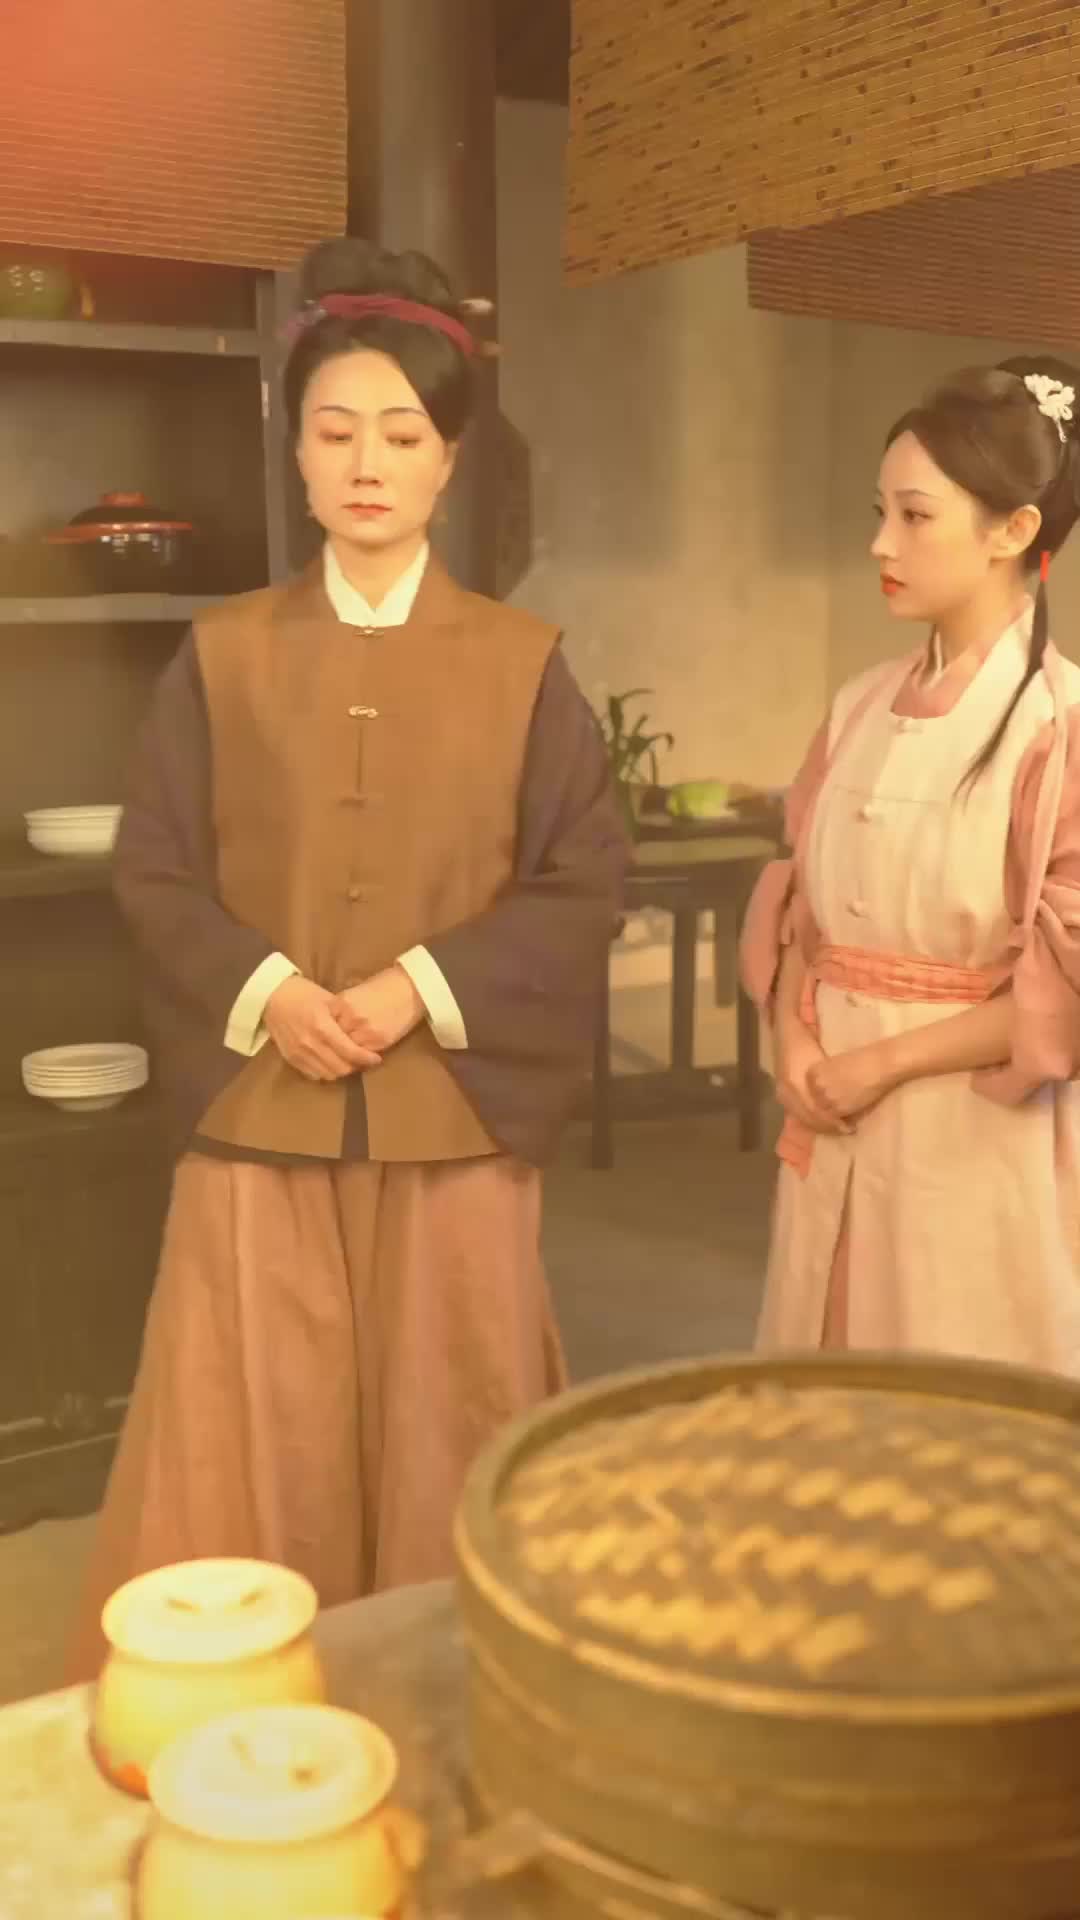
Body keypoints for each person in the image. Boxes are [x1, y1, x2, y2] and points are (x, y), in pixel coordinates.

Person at [68, 238, 627, 1677]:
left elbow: (583, 877)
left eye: (402, 433)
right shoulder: (223, 652)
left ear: (451, 461)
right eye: (335, 432)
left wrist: (410, 991)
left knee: (457, 1413)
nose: (367, 463)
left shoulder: (523, 661)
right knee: (250, 1422)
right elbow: (155, 864)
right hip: (262, 1105)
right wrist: (271, 997)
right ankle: (238, 1712)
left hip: (455, 1110)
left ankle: (441, 1702)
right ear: (297, 454)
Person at [741, 357, 1080, 1366]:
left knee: (953, 1397)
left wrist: (879, 1065)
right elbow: (801, 915)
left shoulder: (1059, 726)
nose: (881, 544)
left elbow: (1064, 984)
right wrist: (793, 1042)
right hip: (832, 1108)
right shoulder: (856, 707)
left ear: (1014, 531)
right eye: (879, 512)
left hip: (973, 1135)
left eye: (916, 516)